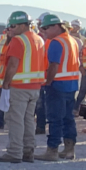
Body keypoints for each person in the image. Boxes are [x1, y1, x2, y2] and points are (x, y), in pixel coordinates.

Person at [0, 11, 48, 163]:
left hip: (19, 86)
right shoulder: (38, 39)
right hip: (35, 86)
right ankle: (28, 150)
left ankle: (14, 152)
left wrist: (6, 83)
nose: (10, 29)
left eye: (13, 26)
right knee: (28, 119)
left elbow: (13, 63)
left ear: (23, 25)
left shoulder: (19, 40)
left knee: (15, 119)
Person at [35, 13, 80, 161]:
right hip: (71, 84)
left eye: (46, 28)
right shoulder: (72, 40)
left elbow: (54, 65)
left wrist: (48, 81)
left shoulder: (56, 42)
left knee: (55, 119)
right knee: (68, 118)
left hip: (57, 85)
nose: (43, 31)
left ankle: (52, 150)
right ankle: (69, 149)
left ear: (56, 26)